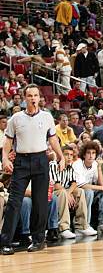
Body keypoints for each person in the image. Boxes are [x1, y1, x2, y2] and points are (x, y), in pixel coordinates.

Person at [1, 84, 65, 254]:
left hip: (41, 160)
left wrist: (61, 156)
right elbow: (7, 141)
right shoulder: (15, 118)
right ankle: (5, 242)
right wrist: (5, 158)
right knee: (14, 202)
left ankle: (38, 240)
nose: (33, 98)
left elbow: (53, 140)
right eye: (30, 95)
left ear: (39, 98)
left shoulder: (47, 117)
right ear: (24, 98)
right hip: (21, 161)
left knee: (40, 202)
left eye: (36, 95)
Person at [72, 141, 103, 234]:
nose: (91, 156)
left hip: (88, 192)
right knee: (89, 191)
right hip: (76, 193)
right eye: (88, 153)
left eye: (93, 153)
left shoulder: (95, 164)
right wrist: (102, 188)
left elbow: (101, 184)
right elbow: (82, 185)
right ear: (83, 154)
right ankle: (85, 224)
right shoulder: (77, 164)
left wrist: (99, 167)